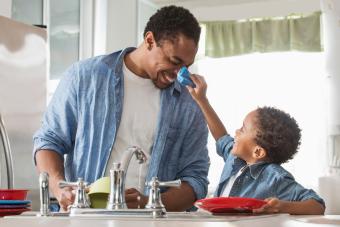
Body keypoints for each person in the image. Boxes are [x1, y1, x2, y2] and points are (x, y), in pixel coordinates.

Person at [33, 6, 209, 211]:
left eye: (186, 66)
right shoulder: (84, 78)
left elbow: (196, 180)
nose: (178, 74)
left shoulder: (188, 103)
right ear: (150, 40)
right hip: (87, 219)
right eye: (174, 61)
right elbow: (49, 140)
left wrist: (148, 204)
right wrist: (59, 188)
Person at [186, 75, 325, 214]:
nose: (236, 131)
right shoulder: (234, 159)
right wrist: (202, 100)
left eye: (243, 129)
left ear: (257, 152)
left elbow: (317, 205)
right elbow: (221, 136)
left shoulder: (275, 178)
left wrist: (281, 206)